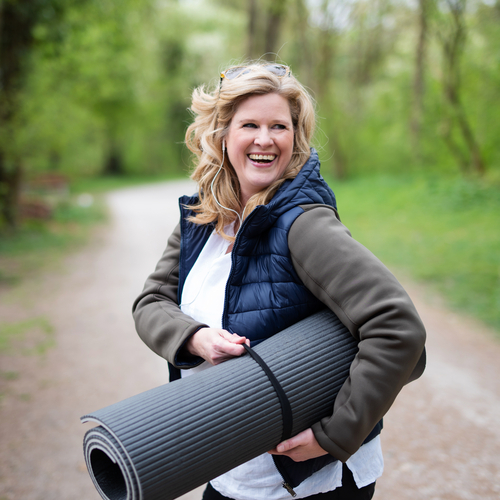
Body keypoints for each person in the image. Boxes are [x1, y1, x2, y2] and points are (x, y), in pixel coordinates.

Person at [132, 62, 426, 500]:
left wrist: (334, 436)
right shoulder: (202, 217)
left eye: (279, 126)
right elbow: (151, 301)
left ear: (296, 137)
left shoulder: (304, 225)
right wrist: (196, 339)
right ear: (223, 134)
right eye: (249, 124)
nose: (265, 140)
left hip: (305, 484)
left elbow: (398, 328)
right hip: (225, 467)